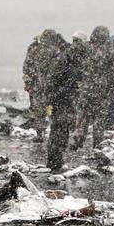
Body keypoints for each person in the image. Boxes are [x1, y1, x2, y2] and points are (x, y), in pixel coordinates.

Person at [45, 31, 87, 172]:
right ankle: (54, 162)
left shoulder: (64, 57)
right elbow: (63, 82)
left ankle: (54, 160)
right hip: (62, 99)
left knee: (59, 128)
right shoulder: (70, 59)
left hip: (60, 98)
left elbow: (54, 80)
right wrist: (61, 95)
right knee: (60, 128)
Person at [73, 26, 114, 148]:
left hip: (85, 89)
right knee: (99, 119)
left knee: (82, 116)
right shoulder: (111, 52)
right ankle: (97, 143)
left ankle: (78, 140)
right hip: (102, 91)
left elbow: (77, 67)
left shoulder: (87, 48)